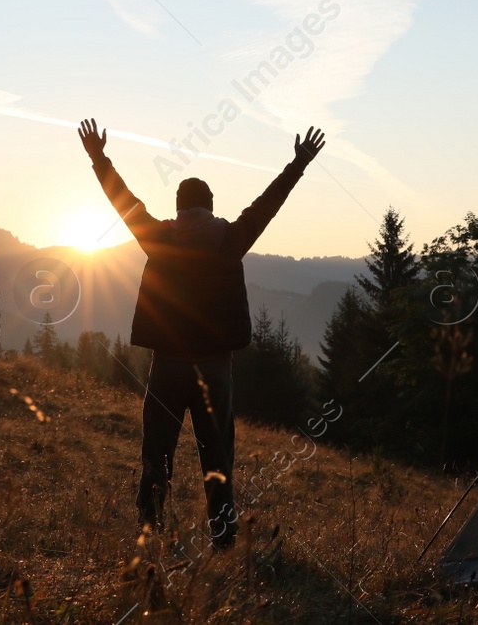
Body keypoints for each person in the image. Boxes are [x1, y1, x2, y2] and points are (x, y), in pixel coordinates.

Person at [76, 118, 325, 549]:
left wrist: (99, 158)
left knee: (157, 454)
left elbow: (124, 202)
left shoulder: (158, 237)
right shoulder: (230, 238)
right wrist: (298, 162)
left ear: (177, 206)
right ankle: (223, 536)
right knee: (217, 456)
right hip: (215, 370)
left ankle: (149, 530)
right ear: (210, 206)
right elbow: (268, 203)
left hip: (167, 367)